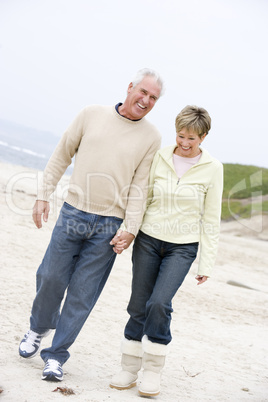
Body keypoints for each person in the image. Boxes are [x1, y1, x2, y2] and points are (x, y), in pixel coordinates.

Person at [18, 68, 164, 382]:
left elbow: (141, 187)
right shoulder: (91, 114)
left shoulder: (151, 137)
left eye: (153, 98)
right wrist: (43, 195)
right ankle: (38, 326)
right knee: (51, 277)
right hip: (73, 213)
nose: (146, 100)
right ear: (130, 88)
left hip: (109, 227)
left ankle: (56, 356)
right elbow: (62, 154)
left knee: (82, 295)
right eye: (143, 92)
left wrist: (130, 228)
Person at [110, 105, 224, 397]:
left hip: (183, 247)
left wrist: (206, 264)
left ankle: (152, 371)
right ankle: (129, 367)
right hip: (148, 239)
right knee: (138, 304)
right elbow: (142, 198)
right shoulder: (160, 156)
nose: (184, 144)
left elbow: (211, 218)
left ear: (204, 137)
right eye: (181, 136)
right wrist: (129, 229)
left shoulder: (213, 168)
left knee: (159, 303)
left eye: (192, 139)